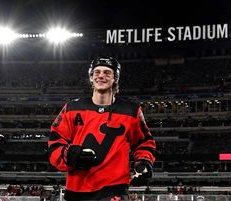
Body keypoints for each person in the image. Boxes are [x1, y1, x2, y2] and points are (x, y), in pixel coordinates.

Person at [48, 56, 156, 201]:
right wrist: (71, 155)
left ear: (115, 78)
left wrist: (143, 162)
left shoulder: (131, 110)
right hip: (76, 188)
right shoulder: (71, 108)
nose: (101, 76)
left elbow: (144, 142)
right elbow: (54, 144)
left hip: (114, 189)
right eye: (96, 72)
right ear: (91, 77)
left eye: (107, 72)